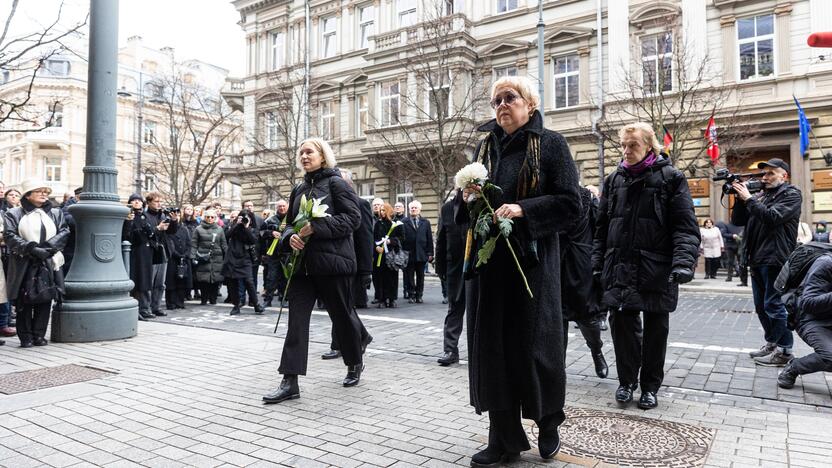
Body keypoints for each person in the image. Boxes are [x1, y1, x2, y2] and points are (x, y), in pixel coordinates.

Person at [457, 76, 581, 464]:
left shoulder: (550, 145)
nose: (501, 106)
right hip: (491, 266)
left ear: (530, 103)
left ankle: (547, 422)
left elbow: (570, 204)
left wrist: (524, 209)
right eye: (496, 101)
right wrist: (467, 200)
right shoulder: (484, 148)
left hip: (533, 266)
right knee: (493, 350)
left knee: (534, 349)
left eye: (510, 98)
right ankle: (504, 438)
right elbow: (464, 215)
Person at [592, 122, 699, 411]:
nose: (626, 151)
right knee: (622, 327)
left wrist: (683, 263)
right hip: (621, 267)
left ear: (649, 147)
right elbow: (601, 228)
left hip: (657, 268)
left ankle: (650, 386)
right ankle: (626, 382)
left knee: (655, 330)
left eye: (633, 145)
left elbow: (685, 227)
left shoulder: (671, 178)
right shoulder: (614, 179)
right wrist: (597, 263)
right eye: (623, 146)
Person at [262, 138, 366, 404]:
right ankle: (290, 381)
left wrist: (318, 227)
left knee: (342, 317)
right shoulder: (298, 188)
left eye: (309, 152)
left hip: (332, 265)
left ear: (323, 155)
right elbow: (288, 225)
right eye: (301, 152)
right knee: (296, 323)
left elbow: (353, 219)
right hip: (302, 267)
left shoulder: (336, 183)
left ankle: (354, 361)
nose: (304, 156)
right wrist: (290, 238)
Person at [731, 158, 802, 367]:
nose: (765, 178)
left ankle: (785, 351)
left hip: (776, 258)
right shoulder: (761, 195)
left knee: (774, 304)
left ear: (784, 176)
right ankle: (772, 343)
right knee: (761, 306)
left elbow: (772, 217)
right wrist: (740, 199)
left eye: (771, 173)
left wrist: (749, 199)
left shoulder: (791, 194)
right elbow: (737, 221)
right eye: (764, 174)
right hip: (757, 258)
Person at [4, 179, 69, 348]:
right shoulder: (14, 213)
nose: (44, 194)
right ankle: (25, 337)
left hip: (49, 259)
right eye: (39, 191)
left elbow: (64, 231)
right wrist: (32, 249)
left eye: (46, 192)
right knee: (24, 299)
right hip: (24, 261)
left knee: (45, 297)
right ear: (28, 194)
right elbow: (10, 236)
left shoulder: (55, 212)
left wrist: (47, 249)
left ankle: (39, 335)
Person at [321, 168, 374, 360]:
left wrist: (366, 270)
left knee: (343, 306)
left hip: (354, 264)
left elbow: (366, 239)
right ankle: (360, 337)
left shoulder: (360, 204)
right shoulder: (332, 205)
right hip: (336, 262)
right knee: (340, 305)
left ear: (348, 184)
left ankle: (342, 343)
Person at [561, 186, 608, 379]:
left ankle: (596, 350)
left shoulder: (585, 197)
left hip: (581, 262)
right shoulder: (548, 197)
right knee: (557, 318)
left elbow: (600, 230)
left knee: (587, 315)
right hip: (554, 262)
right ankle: (558, 368)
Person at [777, 254, 832, 389]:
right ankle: (793, 367)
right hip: (811, 320)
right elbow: (808, 303)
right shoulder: (825, 264)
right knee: (830, 357)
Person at [435, 190, 466, 366]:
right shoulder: (447, 209)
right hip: (454, 267)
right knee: (454, 308)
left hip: (478, 267)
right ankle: (450, 350)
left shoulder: (481, 206)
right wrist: (440, 269)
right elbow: (441, 239)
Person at [222, 209, 265, 315]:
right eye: (243, 217)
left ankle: (256, 304)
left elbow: (252, 240)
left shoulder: (253, 228)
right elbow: (226, 236)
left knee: (249, 281)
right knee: (233, 283)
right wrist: (237, 224)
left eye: (248, 217)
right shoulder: (234, 226)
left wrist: (246, 227)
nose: (245, 219)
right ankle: (236, 305)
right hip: (232, 258)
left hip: (245, 258)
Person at [123, 194, 157, 321]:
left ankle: (144, 308)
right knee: (136, 281)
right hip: (134, 253)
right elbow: (126, 236)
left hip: (146, 252)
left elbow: (152, 234)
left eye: (138, 201)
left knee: (146, 282)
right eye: (133, 201)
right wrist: (129, 222)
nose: (136, 203)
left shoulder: (146, 216)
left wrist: (152, 232)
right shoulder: (127, 216)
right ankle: (136, 309)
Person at [142, 192, 171, 317]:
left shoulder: (163, 215)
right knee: (149, 282)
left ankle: (156, 306)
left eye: (160, 201)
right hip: (150, 252)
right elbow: (145, 234)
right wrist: (157, 228)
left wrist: (174, 221)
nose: (159, 204)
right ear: (148, 202)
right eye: (156, 201)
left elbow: (172, 232)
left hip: (162, 250)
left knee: (160, 283)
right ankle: (145, 308)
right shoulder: (144, 216)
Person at [191, 209, 227, 305]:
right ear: (204, 217)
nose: (210, 219)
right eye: (208, 217)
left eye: (212, 217)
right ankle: (204, 299)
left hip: (217, 258)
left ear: (215, 218)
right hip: (203, 257)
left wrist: (227, 256)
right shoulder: (198, 229)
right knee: (203, 279)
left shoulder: (220, 229)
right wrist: (193, 256)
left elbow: (223, 244)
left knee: (215, 279)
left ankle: (213, 299)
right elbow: (194, 244)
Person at [373, 203, 404, 309]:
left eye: (383, 210)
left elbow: (402, 238)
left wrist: (391, 241)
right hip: (380, 255)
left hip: (391, 255)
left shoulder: (397, 224)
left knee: (392, 277)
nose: (381, 212)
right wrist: (376, 247)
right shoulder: (378, 224)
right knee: (380, 277)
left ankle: (392, 299)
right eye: (380, 210)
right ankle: (381, 299)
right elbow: (374, 238)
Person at [402, 200, 433, 304]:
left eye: (415, 208)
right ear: (409, 209)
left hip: (421, 253)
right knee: (409, 276)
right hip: (409, 253)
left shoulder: (425, 222)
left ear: (420, 210)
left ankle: (419, 295)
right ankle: (411, 294)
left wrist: (430, 253)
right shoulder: (404, 222)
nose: (413, 209)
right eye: (412, 208)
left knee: (421, 276)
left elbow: (429, 238)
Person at [261, 199, 289, 307]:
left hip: (287, 253)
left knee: (285, 278)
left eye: (283, 206)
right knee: (271, 277)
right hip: (274, 254)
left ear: (287, 206)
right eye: (279, 206)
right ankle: (268, 300)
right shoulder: (270, 219)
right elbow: (262, 233)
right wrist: (271, 232)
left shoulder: (291, 218)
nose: (282, 208)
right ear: (276, 208)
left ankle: (285, 298)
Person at [164, 208, 192, 310]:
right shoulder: (168, 229)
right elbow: (169, 243)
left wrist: (185, 254)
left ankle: (180, 302)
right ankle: (171, 303)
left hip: (183, 259)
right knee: (171, 282)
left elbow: (189, 243)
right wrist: (176, 254)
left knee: (182, 282)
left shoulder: (185, 229)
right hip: (173, 259)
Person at [242, 199, 265, 300]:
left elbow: (262, 238)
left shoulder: (259, 220)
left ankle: (252, 299)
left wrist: (263, 253)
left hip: (255, 253)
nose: (249, 207)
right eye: (247, 206)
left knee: (253, 277)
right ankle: (241, 299)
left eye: (251, 206)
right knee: (242, 278)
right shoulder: (240, 219)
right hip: (241, 253)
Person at [370, 197, 385, 305]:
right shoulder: (369, 218)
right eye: (374, 205)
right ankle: (377, 295)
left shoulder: (385, 218)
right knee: (375, 274)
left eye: (378, 205)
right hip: (372, 249)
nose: (376, 206)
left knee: (383, 274)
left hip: (384, 250)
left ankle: (384, 295)